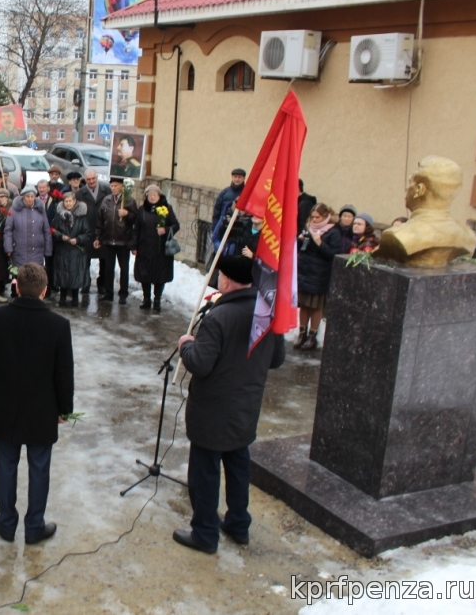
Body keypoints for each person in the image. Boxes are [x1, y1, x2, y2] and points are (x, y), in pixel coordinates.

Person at [173, 255, 286, 554]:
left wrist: (186, 344)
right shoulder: (268, 314)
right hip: (245, 407)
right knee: (238, 467)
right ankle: (238, 525)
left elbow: (201, 364)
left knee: (205, 474)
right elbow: (277, 359)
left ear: (226, 280)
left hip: (212, 411)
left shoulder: (219, 318)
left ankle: (205, 533)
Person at [0, 263, 74, 545]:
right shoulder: (58, 325)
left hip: (5, 405)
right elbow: (64, 372)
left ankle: (7, 522)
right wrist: (64, 408)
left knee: (6, 465)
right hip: (42, 409)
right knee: (39, 467)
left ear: (16, 287)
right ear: (44, 291)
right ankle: (34, 526)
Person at [295, 203, 342, 351]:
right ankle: (301, 333)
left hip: (320, 274)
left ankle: (312, 336)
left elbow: (333, 254)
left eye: (317, 217)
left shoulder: (333, 232)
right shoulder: (308, 226)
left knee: (315, 306)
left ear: (325, 216)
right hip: (304, 271)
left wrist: (319, 243)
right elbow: (298, 248)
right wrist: (300, 239)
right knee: (303, 305)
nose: (314, 220)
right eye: (312, 217)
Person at [133, 185, 180, 313]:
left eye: (155, 195)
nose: (152, 197)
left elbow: (176, 225)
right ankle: (146, 299)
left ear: (159, 196)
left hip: (161, 250)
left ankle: (157, 299)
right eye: (150, 195)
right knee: (144, 275)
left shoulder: (166, 208)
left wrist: (165, 230)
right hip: (145, 248)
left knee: (160, 276)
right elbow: (136, 229)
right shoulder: (142, 210)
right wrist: (134, 245)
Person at [94, 177, 136, 304]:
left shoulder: (129, 201)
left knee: (124, 269)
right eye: (112, 186)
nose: (113, 188)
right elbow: (100, 220)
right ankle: (108, 292)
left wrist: (127, 214)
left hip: (123, 241)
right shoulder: (106, 200)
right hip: (108, 240)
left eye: (116, 186)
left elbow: (136, 219)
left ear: (122, 187)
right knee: (108, 268)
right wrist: (98, 237)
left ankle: (123, 293)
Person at [75, 169, 111, 294]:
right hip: (87, 229)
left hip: (103, 230)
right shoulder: (79, 194)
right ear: (85, 180)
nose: (91, 181)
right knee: (85, 259)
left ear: (96, 177)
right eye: (88, 179)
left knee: (104, 259)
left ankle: (102, 284)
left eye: (93, 178)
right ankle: (85, 283)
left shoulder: (106, 190)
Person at [51, 192, 89, 306]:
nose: (68, 203)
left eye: (70, 201)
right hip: (62, 250)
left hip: (76, 252)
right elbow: (53, 230)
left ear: (75, 202)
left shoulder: (81, 217)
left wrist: (78, 239)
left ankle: (75, 298)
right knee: (63, 274)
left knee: (75, 274)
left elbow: (87, 233)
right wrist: (60, 236)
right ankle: (62, 297)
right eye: (66, 201)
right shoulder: (58, 216)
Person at [5, 186, 52, 272]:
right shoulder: (14, 209)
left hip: (37, 252)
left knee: (36, 276)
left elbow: (46, 231)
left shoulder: (40, 210)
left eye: (32, 196)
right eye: (27, 196)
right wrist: (8, 248)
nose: (30, 199)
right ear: (23, 197)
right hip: (19, 251)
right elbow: (8, 230)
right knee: (22, 276)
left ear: (35, 197)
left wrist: (48, 250)